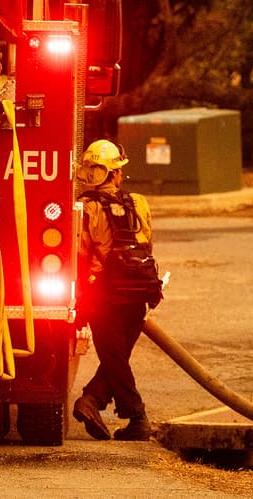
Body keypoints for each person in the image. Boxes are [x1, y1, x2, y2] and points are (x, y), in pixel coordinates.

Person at [72, 139, 154, 441]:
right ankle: (92, 401)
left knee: (114, 357)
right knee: (117, 356)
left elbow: (80, 255)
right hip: (139, 291)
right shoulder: (139, 203)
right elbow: (147, 244)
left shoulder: (85, 209)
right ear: (114, 174)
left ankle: (134, 416)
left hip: (103, 296)